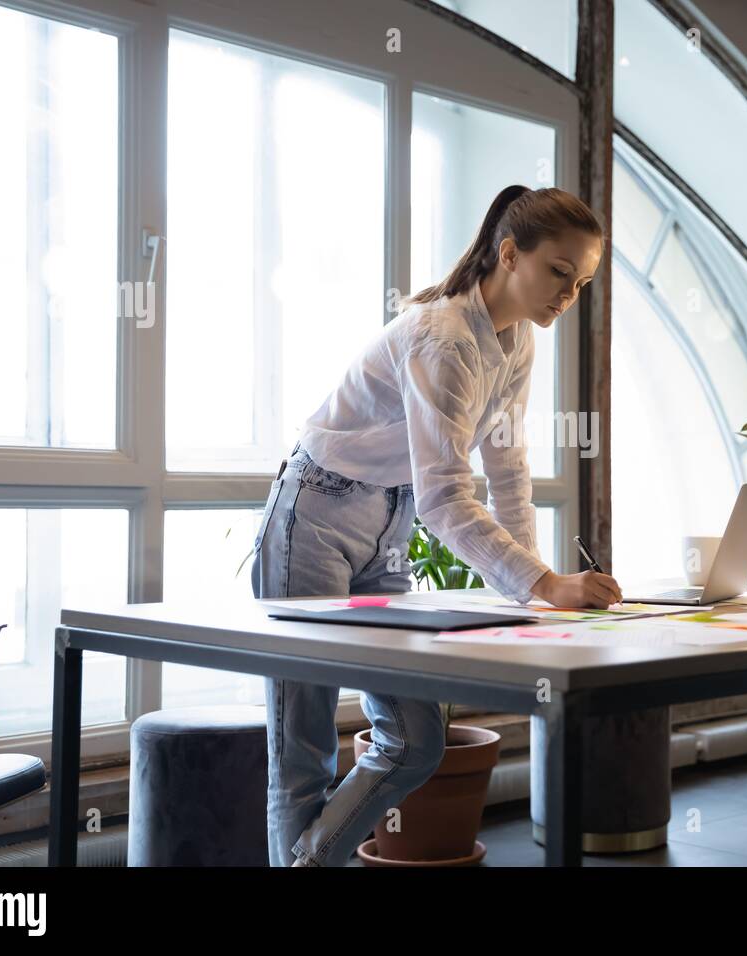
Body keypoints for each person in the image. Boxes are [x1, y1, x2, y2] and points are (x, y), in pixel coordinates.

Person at [249, 184, 623, 866]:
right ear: (510, 254)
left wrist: (532, 596)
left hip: (384, 526)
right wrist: (544, 582)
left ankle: (303, 862)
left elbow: (507, 469)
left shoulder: (517, 342)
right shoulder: (443, 337)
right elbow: (446, 499)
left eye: (584, 281)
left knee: (415, 740)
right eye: (559, 272)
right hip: (315, 518)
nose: (569, 294)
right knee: (302, 750)